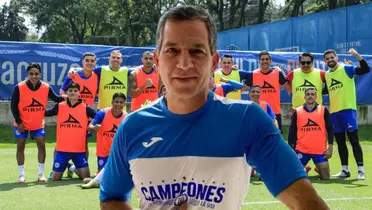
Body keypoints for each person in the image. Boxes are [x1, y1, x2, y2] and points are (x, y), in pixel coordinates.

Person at [99, 5, 329, 210]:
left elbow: (306, 202)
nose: (184, 63)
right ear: (158, 61)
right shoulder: (133, 127)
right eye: (172, 50)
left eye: (197, 51)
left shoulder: (247, 120)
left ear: (214, 62)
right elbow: (111, 198)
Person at [11, 63, 65, 183]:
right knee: (20, 146)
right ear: (27, 74)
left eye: (36, 74)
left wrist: (69, 97)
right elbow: (13, 106)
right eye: (31, 74)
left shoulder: (46, 87)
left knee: (41, 145)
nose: (34, 76)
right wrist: (19, 122)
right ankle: (21, 175)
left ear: (40, 74)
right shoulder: (19, 87)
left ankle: (41, 174)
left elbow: (56, 98)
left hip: (38, 123)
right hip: (21, 123)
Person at [324, 48, 370, 180]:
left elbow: (365, 70)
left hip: (348, 110)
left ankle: (361, 170)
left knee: (354, 141)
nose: (330, 60)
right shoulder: (327, 75)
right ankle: (345, 170)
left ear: (336, 58)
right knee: (340, 142)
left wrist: (357, 55)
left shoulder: (346, 68)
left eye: (332, 57)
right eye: (327, 59)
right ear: (324, 61)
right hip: (334, 113)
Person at [45, 82, 96, 181]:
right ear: (66, 93)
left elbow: (99, 116)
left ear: (79, 93)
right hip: (62, 150)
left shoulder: (86, 108)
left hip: (79, 151)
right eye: (70, 91)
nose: (73, 93)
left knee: (85, 177)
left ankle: (72, 168)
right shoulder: (59, 106)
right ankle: (70, 166)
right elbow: (46, 112)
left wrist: (94, 125)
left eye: (75, 91)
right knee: (55, 178)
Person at [81, 92, 127, 189]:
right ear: (112, 102)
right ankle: (97, 179)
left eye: (121, 102)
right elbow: (89, 126)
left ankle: (95, 179)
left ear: (124, 104)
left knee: (113, 175)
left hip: (117, 153)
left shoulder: (126, 117)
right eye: (116, 102)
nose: (118, 104)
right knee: (110, 175)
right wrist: (94, 128)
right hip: (103, 152)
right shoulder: (103, 113)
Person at [288, 88, 334, 180]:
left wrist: (330, 146)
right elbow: (292, 131)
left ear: (316, 97)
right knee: (294, 177)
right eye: (308, 94)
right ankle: (305, 169)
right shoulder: (298, 111)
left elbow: (330, 129)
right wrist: (291, 148)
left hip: (319, 150)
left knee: (326, 178)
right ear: (304, 96)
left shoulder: (323, 110)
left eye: (312, 94)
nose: (310, 96)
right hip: (302, 150)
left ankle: (318, 168)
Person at [244, 50, 287, 132]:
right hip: (257, 111)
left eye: (267, 59)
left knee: (275, 139)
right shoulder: (253, 74)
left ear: (270, 61)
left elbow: (285, 85)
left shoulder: (278, 73)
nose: (265, 61)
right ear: (259, 61)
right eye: (262, 59)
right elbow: (243, 87)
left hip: (275, 112)